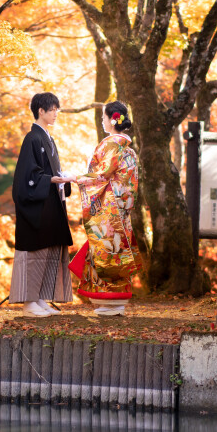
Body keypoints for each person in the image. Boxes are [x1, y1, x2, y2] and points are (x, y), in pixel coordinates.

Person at [67, 101, 143, 316]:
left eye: (103, 116)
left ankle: (112, 299)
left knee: (108, 250)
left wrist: (76, 178)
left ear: (112, 119)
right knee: (115, 249)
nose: (101, 120)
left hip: (109, 207)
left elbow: (102, 174)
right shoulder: (125, 145)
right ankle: (111, 300)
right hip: (120, 206)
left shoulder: (113, 143)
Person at [9, 92, 74, 317]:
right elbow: (27, 176)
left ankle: (39, 298)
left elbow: (50, 173)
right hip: (36, 206)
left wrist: (60, 180)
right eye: (53, 109)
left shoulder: (47, 138)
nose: (56, 113)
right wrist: (50, 180)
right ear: (41, 111)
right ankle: (28, 303)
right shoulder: (32, 138)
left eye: (57, 109)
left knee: (49, 248)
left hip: (49, 203)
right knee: (35, 252)